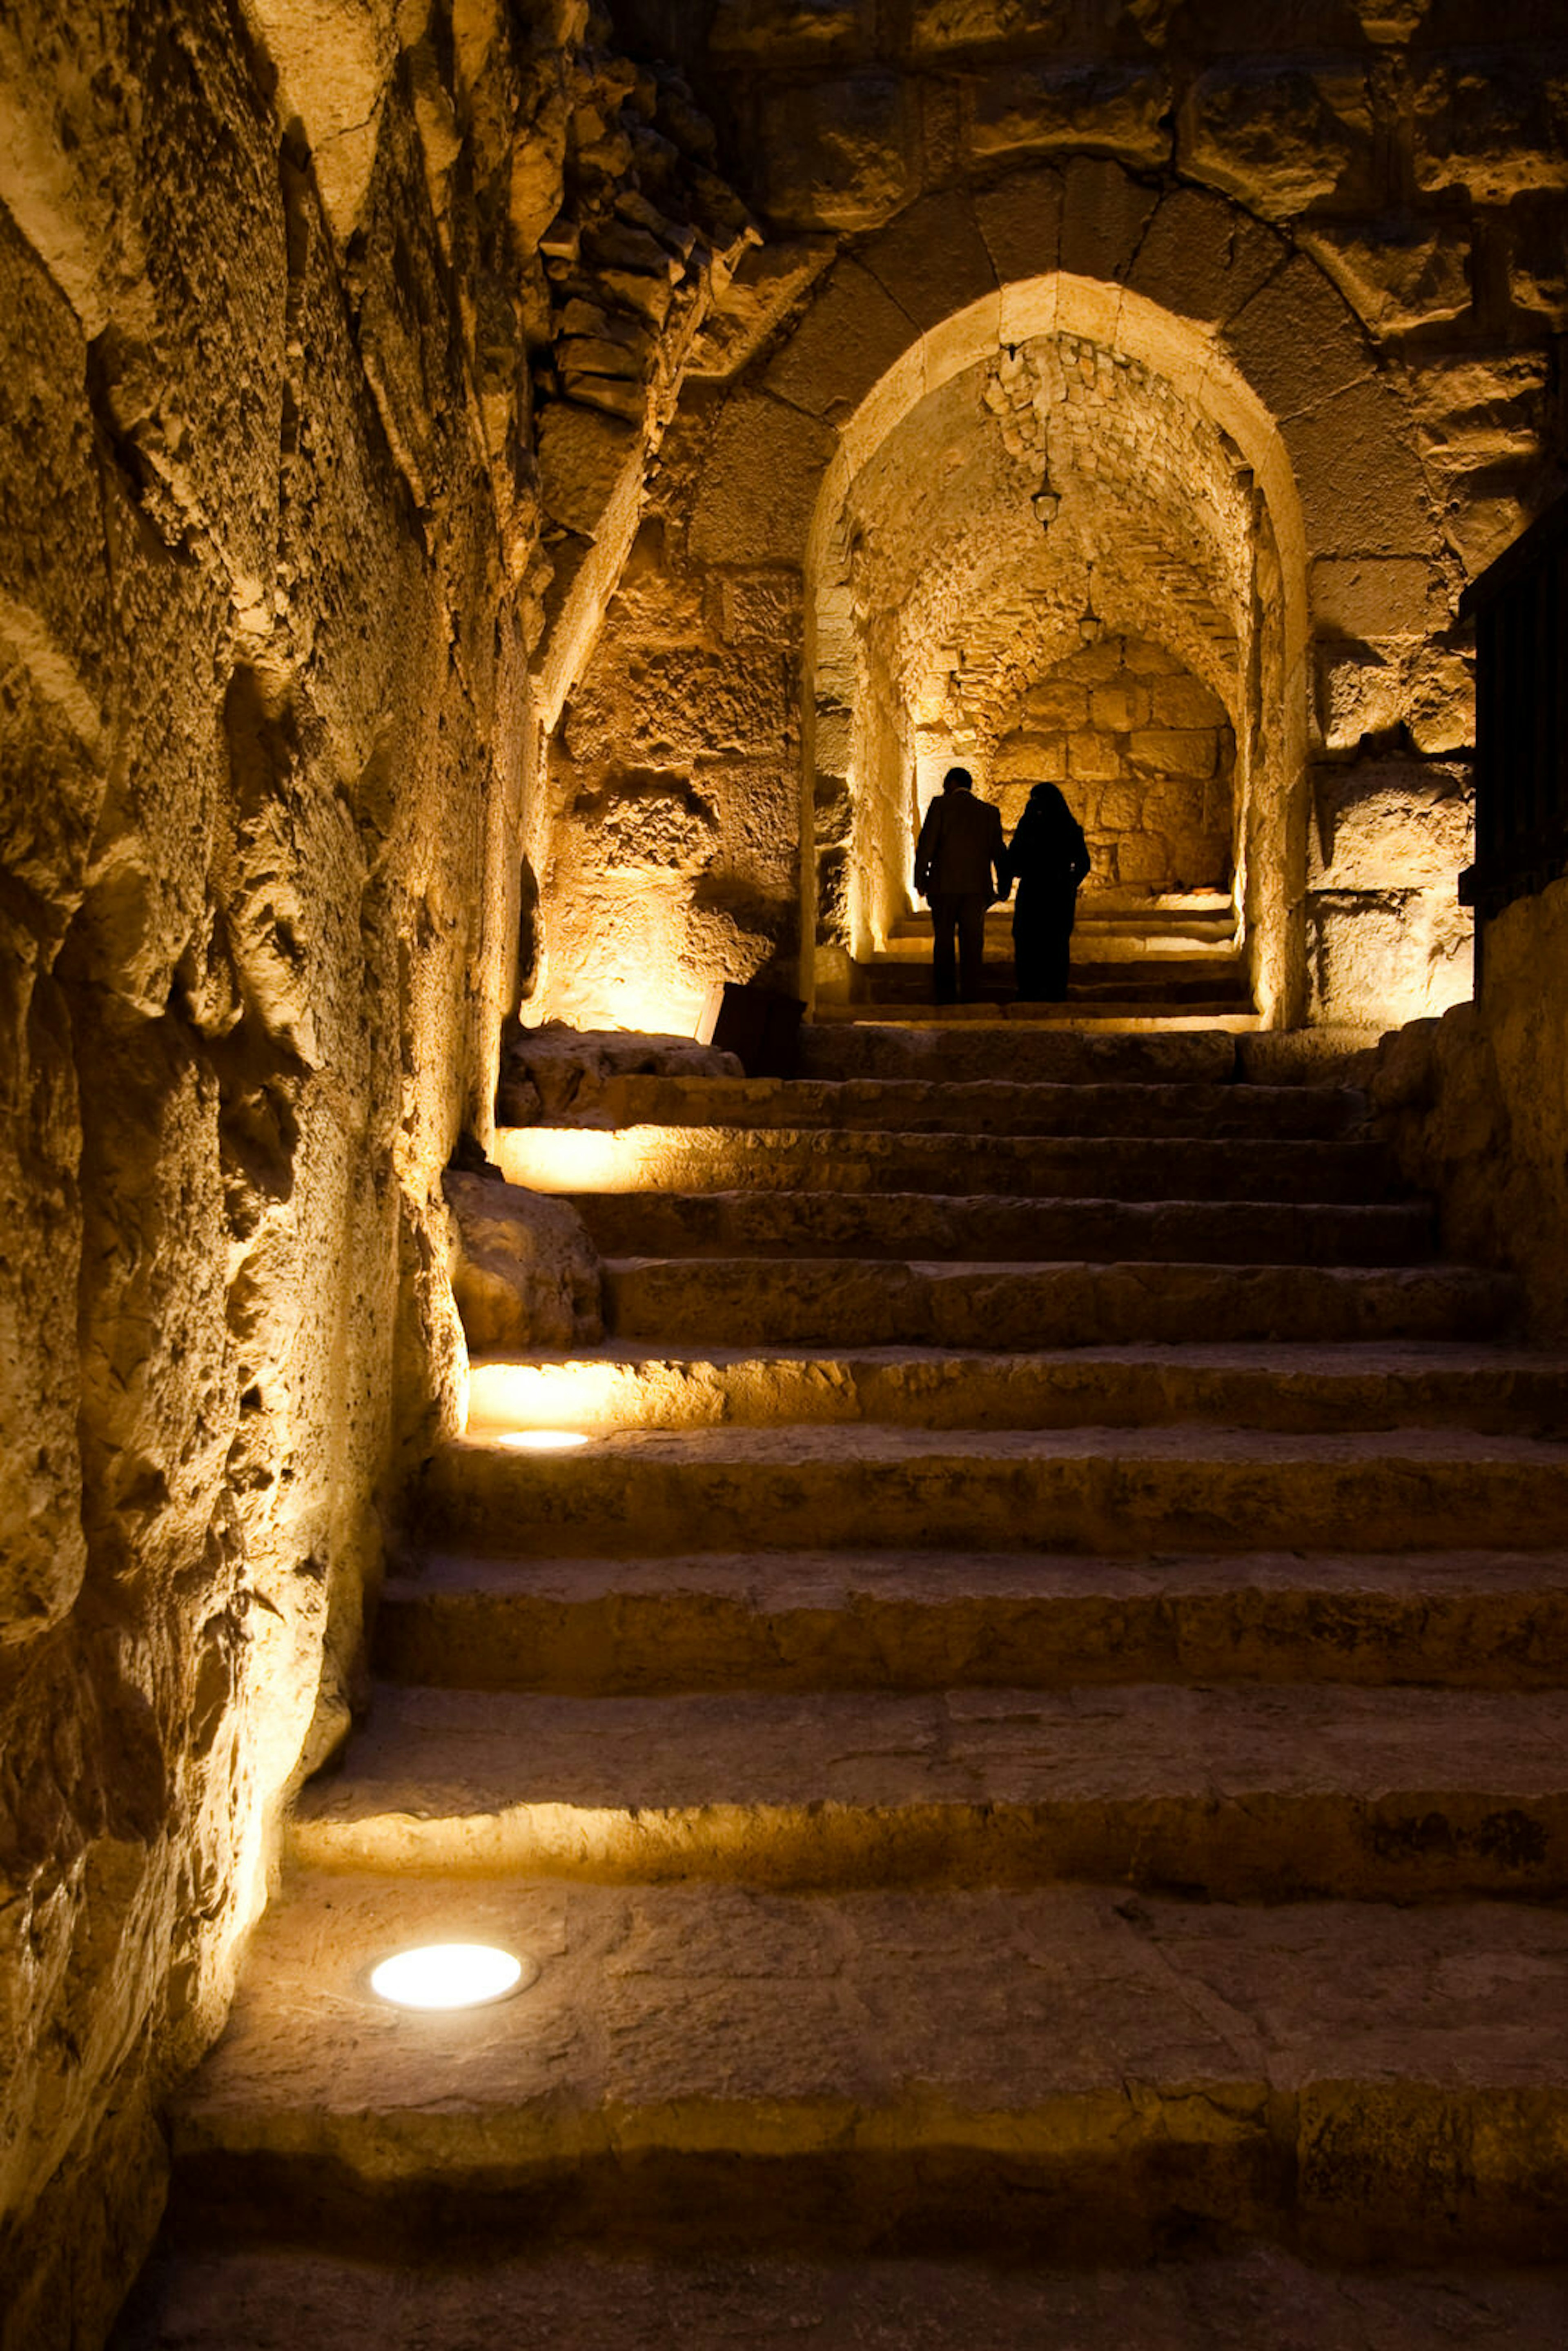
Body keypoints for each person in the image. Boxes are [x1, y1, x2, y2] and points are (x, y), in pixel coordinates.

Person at [913, 766, 1011, 1004]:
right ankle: (971, 992)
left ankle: (945, 995)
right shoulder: (989, 813)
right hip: (976, 889)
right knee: (973, 942)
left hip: (943, 886)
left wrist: (921, 881)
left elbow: (926, 846)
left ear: (950, 784)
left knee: (944, 940)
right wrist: (1004, 887)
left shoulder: (940, 806)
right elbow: (999, 852)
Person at [1005, 781, 1090, 1002]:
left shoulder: (1030, 824)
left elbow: (1014, 857)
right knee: (1055, 942)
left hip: (1035, 890)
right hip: (1058, 892)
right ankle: (1054, 990)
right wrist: (1069, 883)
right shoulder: (1069, 827)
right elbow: (1083, 863)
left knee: (1031, 941)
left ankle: (1030, 989)